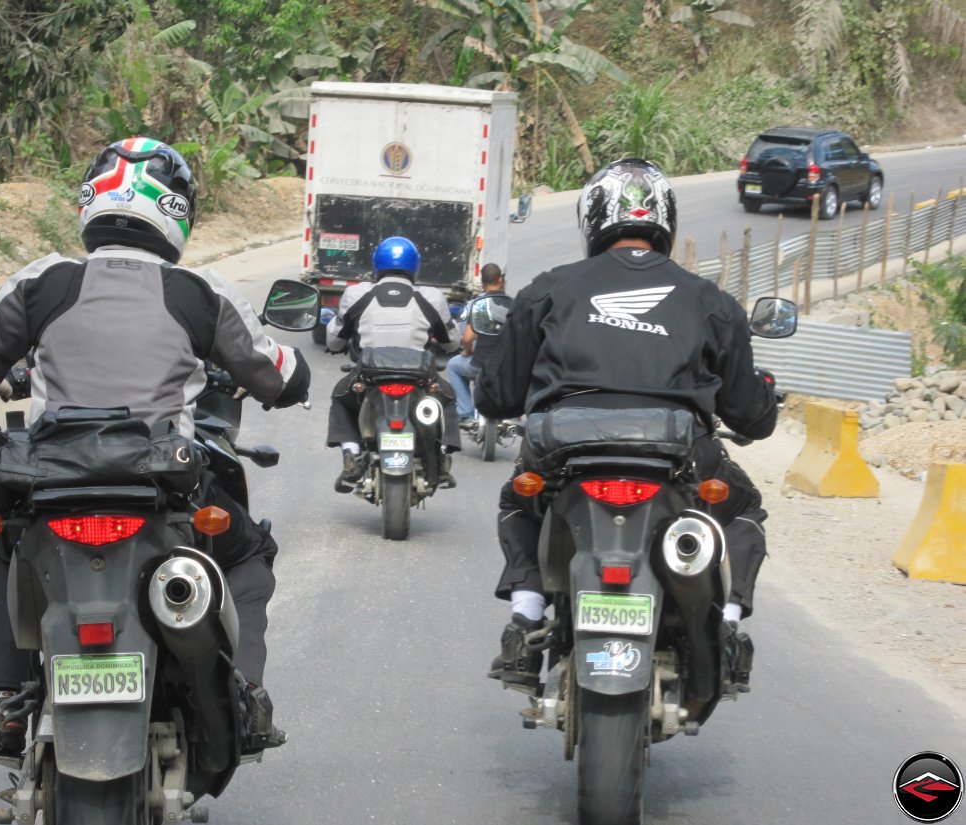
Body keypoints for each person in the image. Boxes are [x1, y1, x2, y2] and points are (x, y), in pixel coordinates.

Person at [0, 137, 310, 758]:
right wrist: (289, 368)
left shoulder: (43, 280)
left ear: (92, 198)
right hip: (162, 483)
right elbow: (282, 377)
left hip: (46, 486)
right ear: (177, 210)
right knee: (249, 555)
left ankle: (2, 698)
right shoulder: (200, 291)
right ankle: (245, 693)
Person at [475, 157, 775, 694]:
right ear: (666, 221)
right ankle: (727, 623)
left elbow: (496, 399)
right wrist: (764, 396)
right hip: (678, 449)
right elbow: (750, 415)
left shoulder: (549, 288)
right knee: (742, 506)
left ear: (592, 220)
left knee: (520, 500)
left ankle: (524, 617)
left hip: (563, 446)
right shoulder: (709, 300)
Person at [325, 236, 463, 490]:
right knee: (449, 398)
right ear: (415, 266)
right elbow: (452, 343)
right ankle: (443, 460)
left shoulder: (357, 293)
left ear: (376, 264)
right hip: (419, 374)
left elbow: (334, 342)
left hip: (369, 374)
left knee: (340, 397)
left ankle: (352, 453)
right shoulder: (430, 296)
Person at [446, 263, 507, 429]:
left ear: (482, 282)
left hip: (479, 363)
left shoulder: (477, 304)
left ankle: (466, 414)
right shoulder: (513, 303)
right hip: (506, 365)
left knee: (452, 365)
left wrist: (467, 351)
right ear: (501, 280)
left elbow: (467, 338)